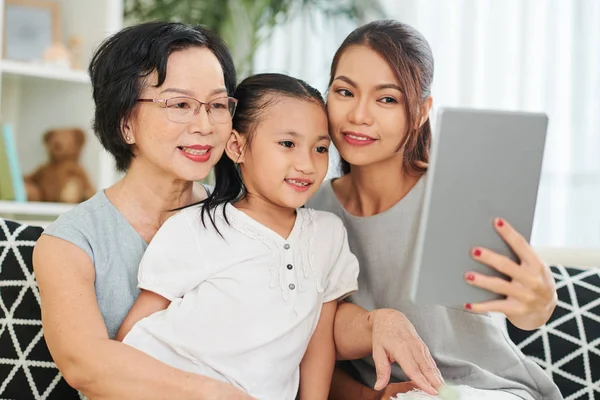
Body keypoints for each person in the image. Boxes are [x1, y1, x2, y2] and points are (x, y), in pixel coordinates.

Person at [307, 20, 562, 400]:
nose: (359, 115)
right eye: (345, 92)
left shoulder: (459, 192)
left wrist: (539, 304)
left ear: (422, 110)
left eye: (387, 99)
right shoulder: (311, 210)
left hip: (488, 389)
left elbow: (525, 311)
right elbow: (311, 355)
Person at [33, 21, 256, 399]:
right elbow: (85, 363)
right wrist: (218, 395)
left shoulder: (243, 217)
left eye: (217, 105)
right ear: (125, 123)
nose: (204, 125)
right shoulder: (68, 244)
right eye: (180, 104)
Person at [113, 72, 359, 400]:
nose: (307, 164)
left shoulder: (328, 235)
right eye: (288, 143)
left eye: (320, 148)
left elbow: (318, 338)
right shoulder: (196, 226)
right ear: (237, 146)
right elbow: (134, 334)